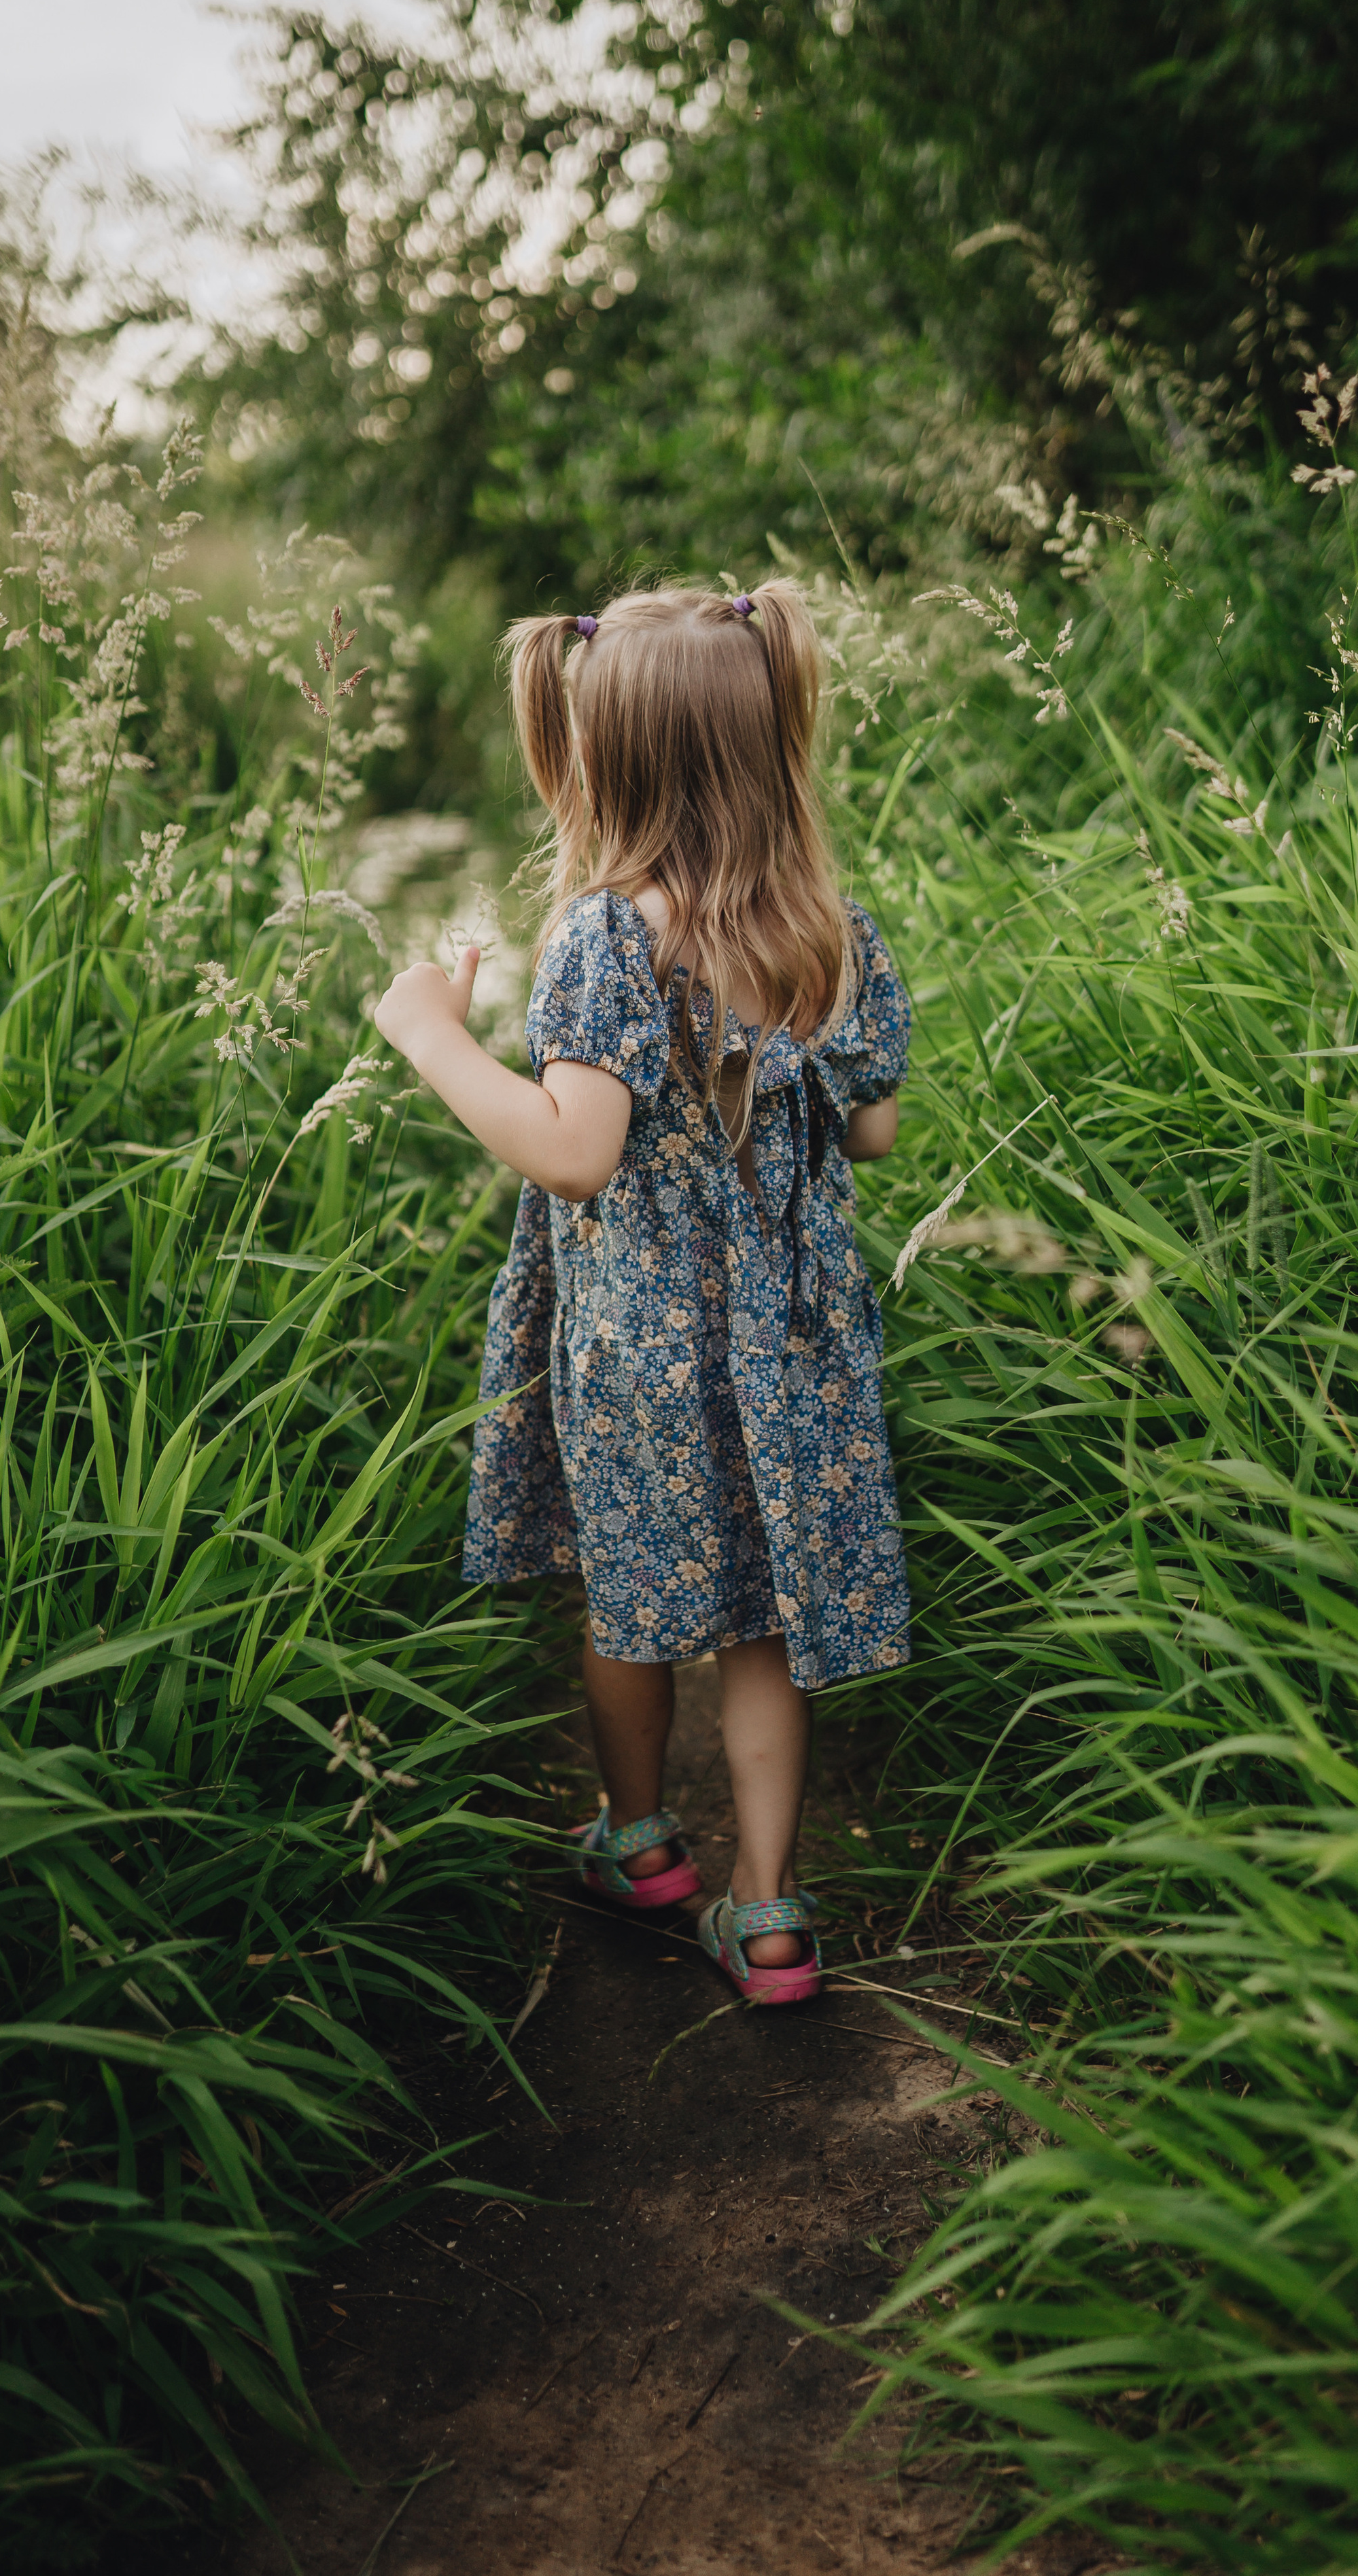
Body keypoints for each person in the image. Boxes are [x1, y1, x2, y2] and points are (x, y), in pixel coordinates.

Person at [372, 580, 910, 2006]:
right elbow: (869, 1130)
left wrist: (432, 1037)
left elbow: (575, 1150)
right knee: (763, 1617)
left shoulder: (607, 935)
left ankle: (639, 1842)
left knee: (634, 1595)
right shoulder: (831, 930)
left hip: (644, 1346)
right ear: (767, 739)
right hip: (794, 1341)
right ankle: (771, 1910)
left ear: (604, 758)